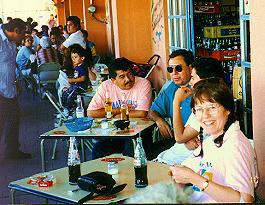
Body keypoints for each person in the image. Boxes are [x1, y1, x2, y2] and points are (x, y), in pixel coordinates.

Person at [170, 78, 256, 203]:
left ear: (228, 109)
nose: (205, 115)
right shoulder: (212, 140)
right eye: (199, 109)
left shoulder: (235, 146)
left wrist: (196, 179)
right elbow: (182, 171)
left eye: (212, 107)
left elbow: (245, 200)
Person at [156, 57, 225, 165]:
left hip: (177, 162)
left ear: (206, 80)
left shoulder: (206, 106)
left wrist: (176, 101)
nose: (191, 82)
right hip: (175, 155)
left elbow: (179, 137)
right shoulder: (213, 100)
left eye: (193, 78)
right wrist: (187, 138)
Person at [87, 58, 152, 159]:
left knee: (130, 150)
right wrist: (118, 111)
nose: (128, 79)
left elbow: (142, 113)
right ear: (113, 80)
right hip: (114, 134)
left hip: (138, 133)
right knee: (98, 150)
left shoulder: (143, 83)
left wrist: (114, 115)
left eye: (130, 74)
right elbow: (91, 113)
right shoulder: (106, 86)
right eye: (122, 77)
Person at [148, 49, 194, 154]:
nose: (174, 73)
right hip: (177, 141)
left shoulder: (199, 88)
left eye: (178, 68)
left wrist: (188, 137)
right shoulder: (171, 87)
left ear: (190, 68)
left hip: (195, 142)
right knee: (146, 152)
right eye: (170, 69)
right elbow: (152, 111)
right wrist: (159, 121)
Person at [0, 18, 31, 159]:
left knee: (13, 119)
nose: (23, 37)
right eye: (23, 34)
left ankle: (12, 151)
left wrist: (15, 81)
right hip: (0, 90)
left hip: (9, 88)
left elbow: (11, 64)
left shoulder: (12, 42)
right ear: (16, 31)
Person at [61, 44, 90, 109]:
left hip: (80, 87)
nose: (73, 59)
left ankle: (70, 109)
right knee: (66, 93)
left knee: (70, 97)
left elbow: (83, 78)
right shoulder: (78, 66)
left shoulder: (82, 67)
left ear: (82, 58)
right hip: (77, 86)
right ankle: (66, 108)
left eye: (75, 57)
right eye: (72, 57)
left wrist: (72, 80)